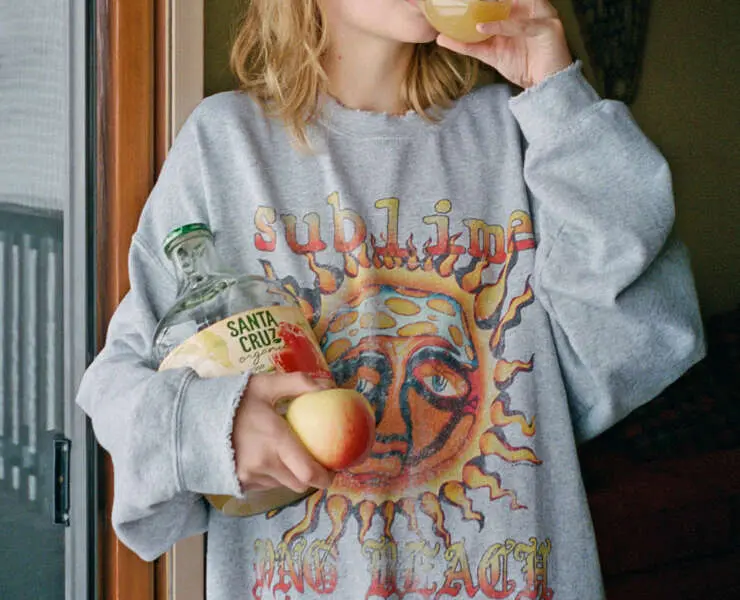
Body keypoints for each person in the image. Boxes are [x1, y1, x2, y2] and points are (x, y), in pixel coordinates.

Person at [76, 0, 706, 598]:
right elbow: (118, 386)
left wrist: (557, 94)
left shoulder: (523, 131)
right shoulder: (225, 146)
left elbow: (639, 342)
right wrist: (215, 421)